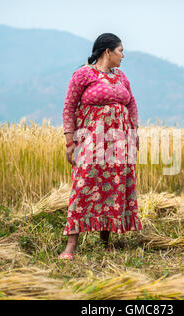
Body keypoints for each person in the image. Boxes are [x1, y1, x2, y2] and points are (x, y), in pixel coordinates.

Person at [59, 33, 142, 260]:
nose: (123, 56)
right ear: (108, 52)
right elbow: (69, 107)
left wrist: (134, 133)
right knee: (83, 185)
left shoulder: (122, 77)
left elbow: (132, 103)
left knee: (113, 188)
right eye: (120, 51)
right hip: (91, 141)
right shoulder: (83, 74)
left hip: (120, 143)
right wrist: (69, 142)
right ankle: (71, 246)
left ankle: (106, 242)